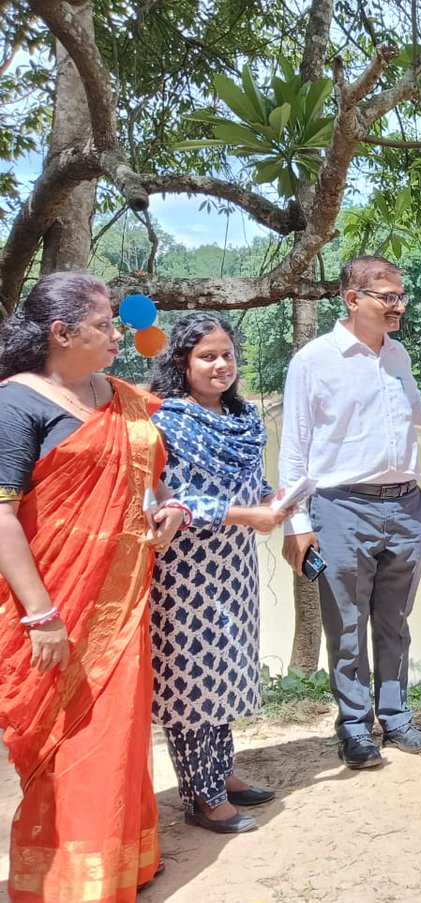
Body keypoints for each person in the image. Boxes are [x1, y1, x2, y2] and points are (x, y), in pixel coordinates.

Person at [0, 272, 187, 902]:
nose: (118, 334)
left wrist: (170, 511)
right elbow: (1, 516)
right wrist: (41, 614)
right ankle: (70, 882)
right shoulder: (15, 404)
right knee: (70, 740)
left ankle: (122, 862)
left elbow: (153, 483)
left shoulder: (121, 398)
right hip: (53, 609)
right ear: (62, 332)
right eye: (106, 324)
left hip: (122, 600)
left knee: (120, 732)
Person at [279, 256, 421, 769]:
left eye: (401, 297)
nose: (398, 306)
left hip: (405, 506)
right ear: (353, 300)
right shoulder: (314, 361)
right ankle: (354, 727)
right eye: (387, 297)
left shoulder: (397, 355)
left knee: (395, 620)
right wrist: (297, 523)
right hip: (340, 509)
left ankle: (395, 718)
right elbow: (294, 449)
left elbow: (412, 406)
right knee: (345, 626)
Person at [149, 313, 288, 834]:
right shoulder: (165, 420)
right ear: (182, 362)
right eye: (207, 356)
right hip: (185, 567)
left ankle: (221, 770)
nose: (221, 365)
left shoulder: (244, 419)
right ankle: (200, 797)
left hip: (235, 564)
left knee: (228, 664)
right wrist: (244, 514)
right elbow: (170, 499)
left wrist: (273, 498)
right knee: (192, 678)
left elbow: (251, 478)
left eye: (227, 354)